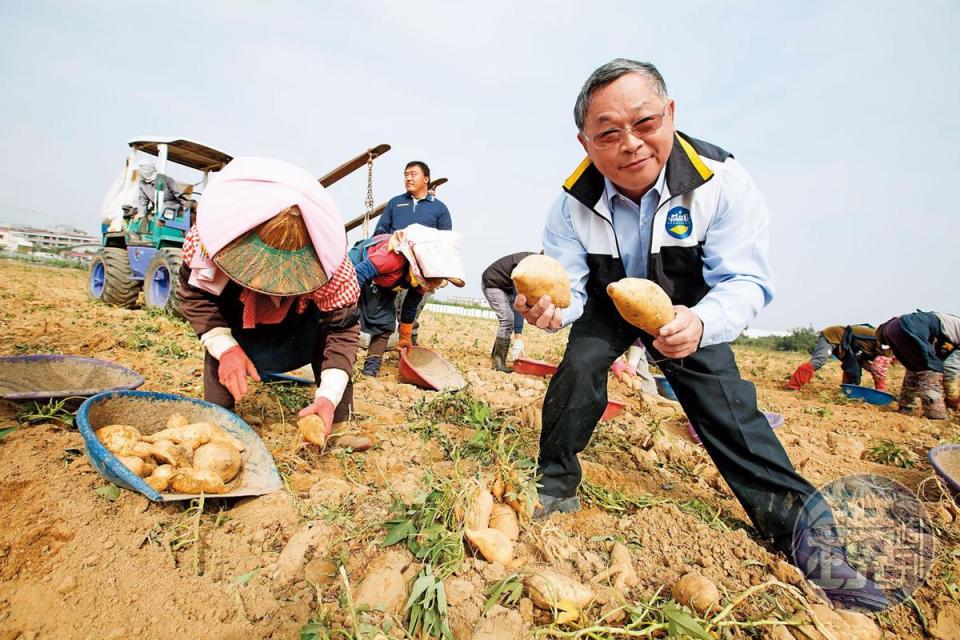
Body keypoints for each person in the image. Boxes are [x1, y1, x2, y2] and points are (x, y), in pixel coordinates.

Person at [515, 58, 890, 611]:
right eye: (609, 133)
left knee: (728, 408)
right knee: (581, 366)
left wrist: (702, 323)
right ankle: (555, 483)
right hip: (608, 298)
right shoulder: (570, 201)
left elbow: (744, 280)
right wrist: (551, 312)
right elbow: (567, 285)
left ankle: (809, 542)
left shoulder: (722, 180)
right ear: (585, 142)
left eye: (645, 123)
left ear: (670, 114)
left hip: (688, 305)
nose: (631, 144)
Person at [177, 157, 361, 439]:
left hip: (299, 331)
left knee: (332, 361)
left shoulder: (333, 267)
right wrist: (225, 349)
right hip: (235, 321)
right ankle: (218, 412)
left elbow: (342, 331)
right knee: (220, 363)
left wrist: (330, 395)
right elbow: (196, 297)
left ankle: (335, 423)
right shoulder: (211, 240)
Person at [350, 224, 466, 376]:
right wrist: (349, 306)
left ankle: (370, 370)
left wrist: (405, 336)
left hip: (385, 283)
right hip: (356, 272)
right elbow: (357, 275)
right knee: (348, 319)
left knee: (385, 324)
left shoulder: (425, 275)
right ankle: (342, 361)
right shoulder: (391, 258)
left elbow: (410, 305)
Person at [374, 161, 453, 346]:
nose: (408, 178)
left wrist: (444, 273)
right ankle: (378, 352)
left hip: (424, 271)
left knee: (413, 309)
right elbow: (380, 233)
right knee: (388, 310)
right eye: (405, 174)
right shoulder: (396, 203)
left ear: (426, 179)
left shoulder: (440, 208)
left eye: (413, 174)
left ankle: (409, 347)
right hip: (394, 266)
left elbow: (446, 242)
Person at [877, 311, 959, 419]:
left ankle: (906, 407)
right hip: (911, 327)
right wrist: (952, 400)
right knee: (930, 369)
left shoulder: (950, 329)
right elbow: (950, 371)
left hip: (892, 328)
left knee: (914, 367)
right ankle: (935, 414)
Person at [785, 325, 892, 391]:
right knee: (819, 361)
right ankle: (793, 386)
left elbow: (865, 362)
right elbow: (878, 370)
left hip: (848, 345)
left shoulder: (883, 344)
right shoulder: (887, 345)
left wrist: (870, 368)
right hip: (833, 336)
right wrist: (880, 390)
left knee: (853, 369)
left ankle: (848, 391)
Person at [481, 251, 535, 371]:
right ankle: (498, 363)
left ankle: (496, 357)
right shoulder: (526, 267)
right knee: (507, 319)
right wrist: (518, 338)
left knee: (508, 320)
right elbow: (519, 302)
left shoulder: (533, 265)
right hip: (493, 282)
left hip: (505, 287)